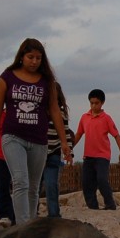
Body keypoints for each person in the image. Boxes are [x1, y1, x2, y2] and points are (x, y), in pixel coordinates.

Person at [0, 38, 71, 226]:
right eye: (31, 57)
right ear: (22, 57)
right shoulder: (7, 77)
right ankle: (22, 227)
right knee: (20, 181)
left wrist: (64, 142)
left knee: (33, 186)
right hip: (13, 137)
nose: (34, 61)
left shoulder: (47, 82)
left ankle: (30, 224)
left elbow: (55, 111)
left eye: (38, 58)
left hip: (39, 140)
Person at [73, 89, 120, 210]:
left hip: (102, 156)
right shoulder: (84, 117)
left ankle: (110, 204)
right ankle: (93, 207)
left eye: (96, 103)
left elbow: (116, 135)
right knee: (87, 183)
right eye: (91, 103)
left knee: (102, 180)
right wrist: (69, 149)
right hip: (88, 156)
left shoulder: (106, 118)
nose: (94, 105)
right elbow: (79, 134)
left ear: (102, 103)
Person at [40, 84, 73, 217]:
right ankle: (31, 214)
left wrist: (69, 152)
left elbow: (66, 133)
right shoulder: (38, 111)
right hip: (38, 153)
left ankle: (54, 216)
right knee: (34, 186)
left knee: (51, 185)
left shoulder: (61, 114)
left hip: (53, 152)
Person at [0, 109, 15, 225]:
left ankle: (17, 218)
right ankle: (4, 217)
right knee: (1, 188)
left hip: (18, 157)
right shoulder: (0, 115)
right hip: (1, 157)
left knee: (21, 188)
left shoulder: (23, 115)